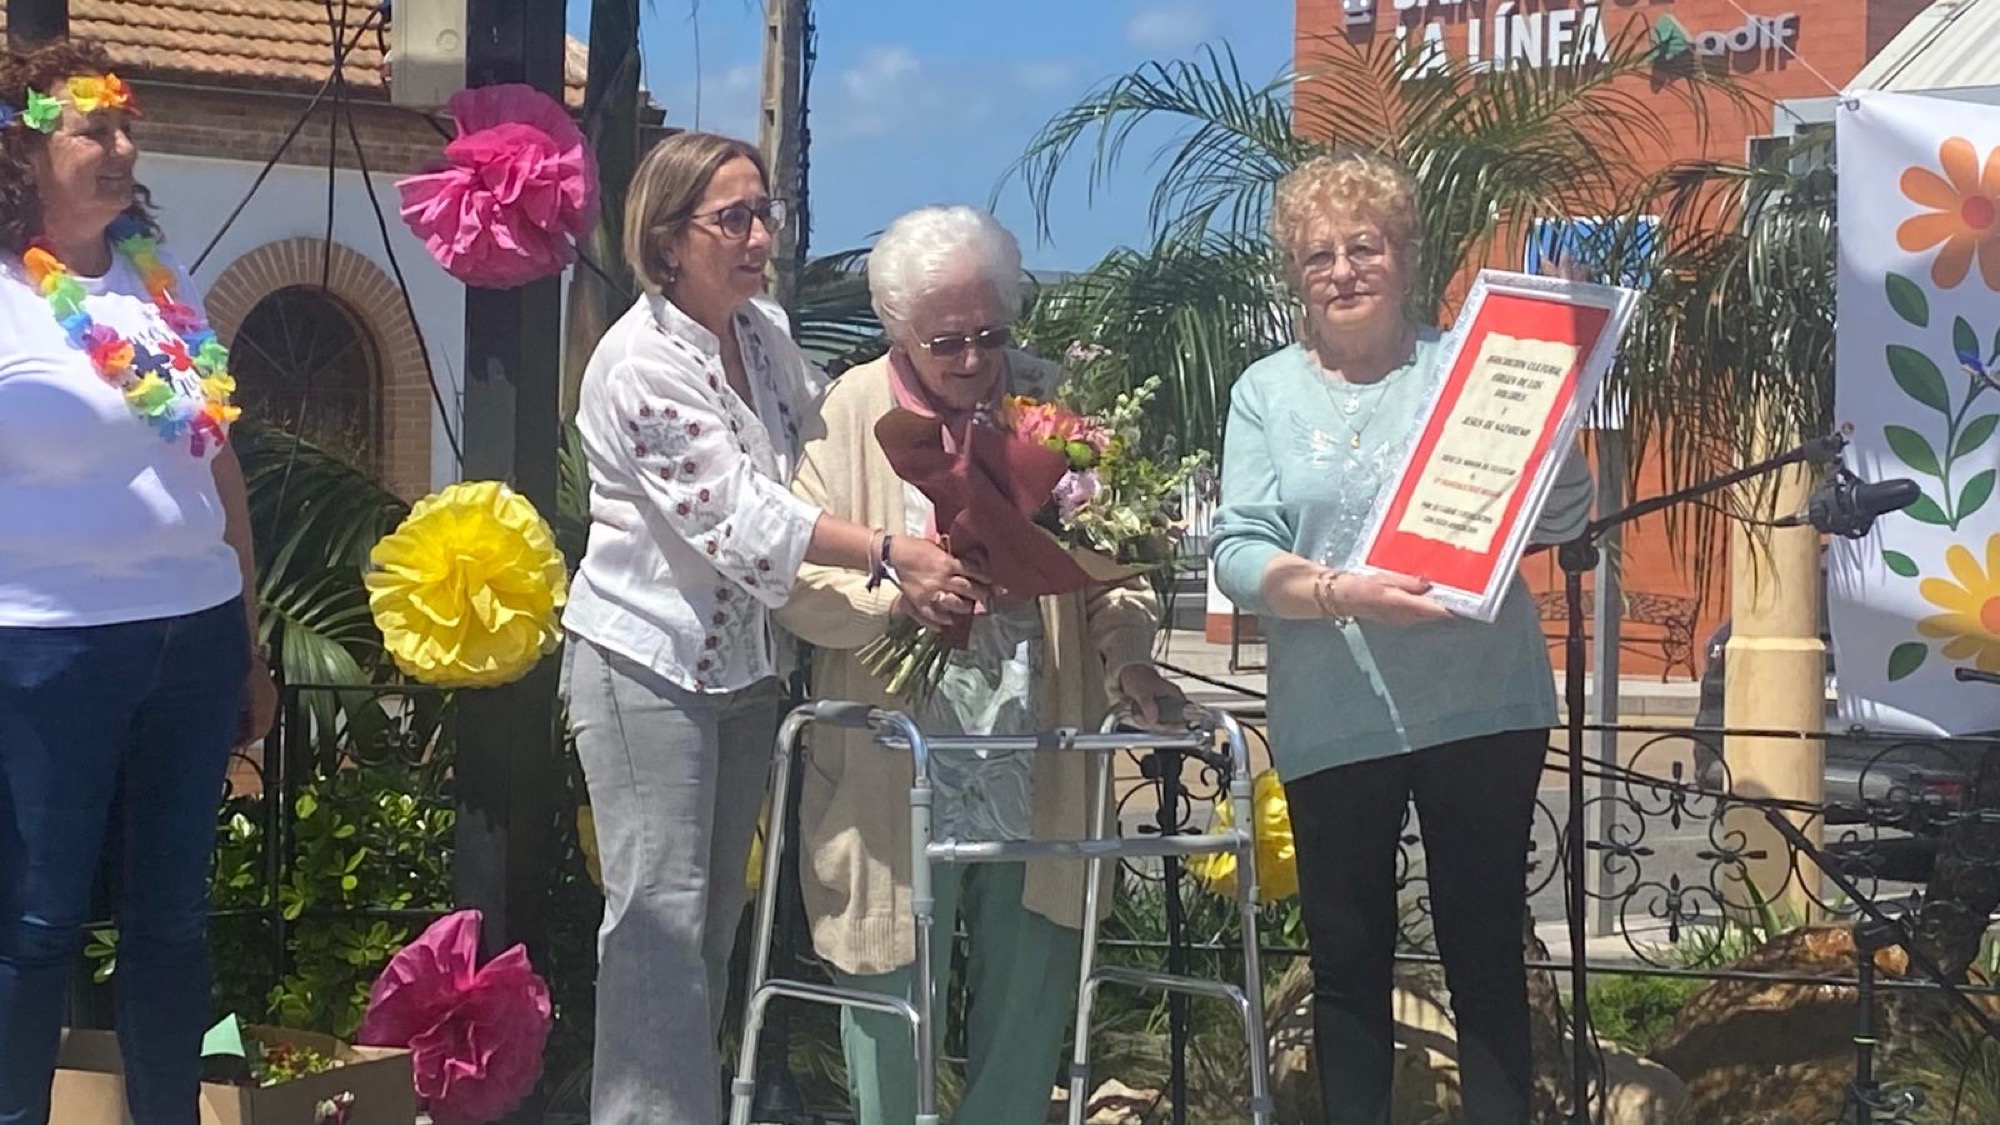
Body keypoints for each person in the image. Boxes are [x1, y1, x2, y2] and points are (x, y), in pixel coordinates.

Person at [561, 134, 981, 1125]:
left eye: (765, 213)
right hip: (644, 666)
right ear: (667, 242)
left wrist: (951, 396)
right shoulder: (638, 363)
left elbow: (829, 441)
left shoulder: (762, 334)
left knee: (708, 926)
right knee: (657, 923)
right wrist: (890, 552)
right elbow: (744, 519)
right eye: (734, 218)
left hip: (743, 672)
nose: (760, 237)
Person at [774, 205, 1186, 1125]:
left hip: (1037, 751)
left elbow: (1119, 569)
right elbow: (793, 579)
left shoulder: (1049, 404)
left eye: (989, 334)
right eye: (946, 341)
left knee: (1030, 997)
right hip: (893, 764)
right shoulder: (846, 411)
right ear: (898, 328)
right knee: (888, 996)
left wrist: (1130, 661)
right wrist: (896, 597)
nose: (972, 359)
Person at [1211, 153, 1593, 1125]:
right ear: (1295, 274)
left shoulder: (1470, 365)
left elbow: (1560, 520)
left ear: (1407, 257)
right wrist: (1338, 592)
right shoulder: (1263, 392)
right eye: (1318, 255)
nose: (1343, 270)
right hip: (1332, 710)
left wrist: (1554, 394)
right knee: (1345, 965)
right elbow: (1238, 551)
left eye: (1364, 247)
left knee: (1485, 954)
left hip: (1481, 702)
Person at [0, 38, 277, 1125]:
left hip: (192, 638)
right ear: (26, 149)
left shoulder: (161, 279)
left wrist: (248, 639)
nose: (121, 147)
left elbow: (216, 461)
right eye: (92, 130)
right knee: (36, 921)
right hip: (49, 646)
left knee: (171, 920)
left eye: (127, 127)